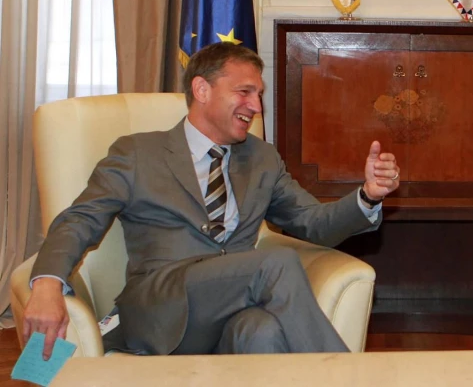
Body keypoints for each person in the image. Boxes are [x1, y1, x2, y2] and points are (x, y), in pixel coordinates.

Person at [23, 42, 400, 359]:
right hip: (162, 309)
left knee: (263, 331)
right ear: (202, 90)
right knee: (275, 264)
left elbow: (313, 223)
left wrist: (367, 196)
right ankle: (348, 379)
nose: (256, 107)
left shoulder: (263, 159)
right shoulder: (138, 153)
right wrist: (46, 284)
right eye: (244, 92)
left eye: (259, 95)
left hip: (231, 314)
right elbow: (80, 219)